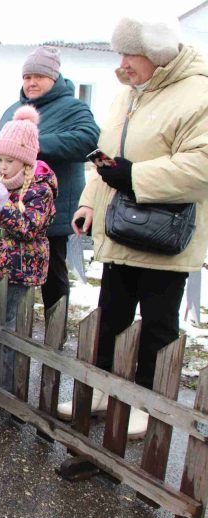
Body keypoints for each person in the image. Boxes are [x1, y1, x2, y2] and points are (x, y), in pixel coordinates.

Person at [60, 16, 208, 438]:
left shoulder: (199, 94)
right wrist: (90, 203)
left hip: (166, 235)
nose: (122, 64)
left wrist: (136, 178)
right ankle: (107, 394)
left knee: (158, 325)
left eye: (130, 55)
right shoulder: (130, 93)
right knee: (111, 318)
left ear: (156, 57)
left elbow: (202, 165)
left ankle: (148, 404)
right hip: (122, 228)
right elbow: (106, 158)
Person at [0, 47, 99, 322]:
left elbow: (89, 140)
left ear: (54, 78)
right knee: (7, 265)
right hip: (11, 210)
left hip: (51, 208)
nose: (31, 83)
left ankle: (54, 329)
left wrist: (35, 145)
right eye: (27, 77)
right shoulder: (15, 110)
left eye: (38, 76)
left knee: (53, 272)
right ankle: (5, 324)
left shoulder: (74, 108)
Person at [0, 106, 57, 393]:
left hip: (22, 269)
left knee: (9, 326)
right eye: (0, 160)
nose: (3, 166)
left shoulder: (40, 189)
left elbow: (30, 227)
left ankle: (5, 387)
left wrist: (6, 203)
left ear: (26, 161)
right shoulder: (2, 184)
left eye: (10, 160)